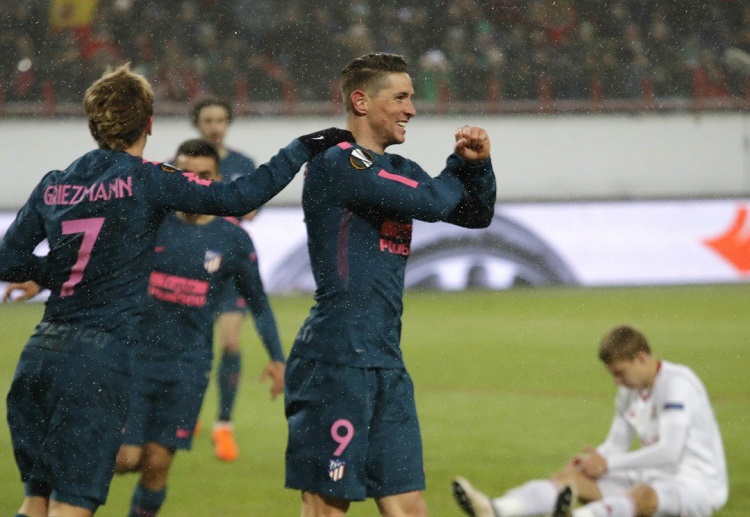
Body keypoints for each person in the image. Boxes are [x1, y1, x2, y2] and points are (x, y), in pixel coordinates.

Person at [0, 63, 349, 517]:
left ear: (93, 124)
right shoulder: (147, 179)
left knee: (36, 501)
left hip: (39, 356)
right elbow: (240, 197)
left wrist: (58, 272)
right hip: (95, 361)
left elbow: (8, 260)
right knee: (70, 506)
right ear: (148, 124)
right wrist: (301, 147)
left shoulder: (54, 183)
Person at [283, 52, 496, 516]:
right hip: (336, 359)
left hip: (384, 358)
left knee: (408, 504)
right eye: (400, 98)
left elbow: (475, 214)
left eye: (411, 98)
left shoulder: (399, 170)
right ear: (361, 102)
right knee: (327, 504)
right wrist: (456, 166)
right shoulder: (339, 163)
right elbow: (435, 202)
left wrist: (477, 166)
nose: (411, 110)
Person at [112, 138, 285, 516]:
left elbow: (258, 302)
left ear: (217, 180)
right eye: (186, 175)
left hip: (188, 367)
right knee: (126, 458)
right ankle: (61, 488)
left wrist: (277, 358)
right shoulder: (150, 222)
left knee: (157, 464)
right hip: (135, 359)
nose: (194, 183)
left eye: (204, 176)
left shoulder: (233, 239)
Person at [452, 325, 728, 517]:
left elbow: (670, 452)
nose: (616, 382)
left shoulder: (677, 384)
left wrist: (609, 463)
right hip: (652, 473)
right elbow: (616, 445)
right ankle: (496, 508)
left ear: (641, 358)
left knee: (642, 494)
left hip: (694, 484)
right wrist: (591, 462)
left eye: (620, 373)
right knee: (572, 479)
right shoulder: (628, 392)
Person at [190, 97, 261, 461]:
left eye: (220, 120)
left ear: (228, 123)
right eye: (208, 120)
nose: (214, 126)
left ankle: (223, 424)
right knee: (193, 343)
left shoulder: (243, 164)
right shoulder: (183, 163)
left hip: (229, 265)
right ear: (197, 124)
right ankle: (188, 410)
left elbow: (250, 211)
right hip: (192, 264)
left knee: (230, 343)